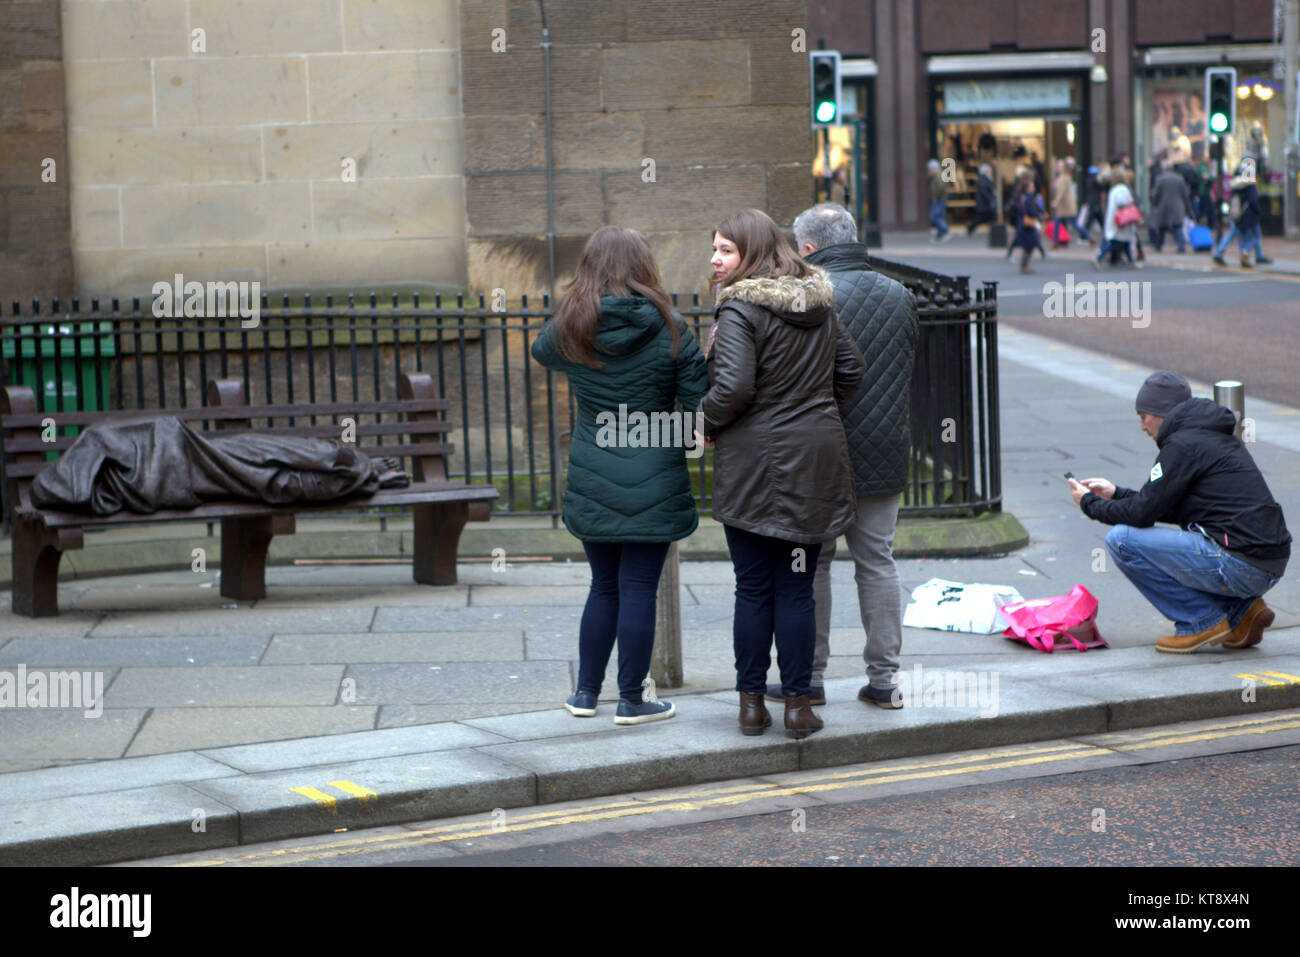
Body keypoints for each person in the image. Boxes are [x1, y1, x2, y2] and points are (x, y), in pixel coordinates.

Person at [531, 226, 708, 725]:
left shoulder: (573, 325)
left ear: (587, 267)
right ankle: (632, 699)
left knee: (602, 585)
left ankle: (585, 694)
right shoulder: (673, 326)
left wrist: (573, 309)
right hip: (654, 468)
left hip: (593, 467)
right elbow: (700, 407)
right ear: (645, 266)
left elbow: (540, 352)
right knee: (637, 588)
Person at [699, 208, 865, 739]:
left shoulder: (740, 310)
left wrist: (702, 425)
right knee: (796, 587)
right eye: (715, 249)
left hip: (752, 462)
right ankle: (797, 706)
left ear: (751, 252)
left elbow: (733, 390)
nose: (715, 258)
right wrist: (813, 410)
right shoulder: (818, 304)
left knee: (752, 588)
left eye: (725, 249)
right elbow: (852, 371)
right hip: (814, 460)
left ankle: (751, 705)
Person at [786, 203, 919, 709]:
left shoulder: (807, 297)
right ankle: (884, 681)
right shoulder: (900, 294)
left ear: (810, 248)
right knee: (877, 562)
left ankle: (810, 678)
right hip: (883, 449)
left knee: (813, 565)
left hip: (819, 452)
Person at [1069, 371, 1290, 653]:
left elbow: (1142, 514)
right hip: (1269, 563)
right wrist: (1116, 493)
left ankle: (1200, 621)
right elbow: (1166, 507)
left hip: (1240, 564)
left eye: (1144, 416)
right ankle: (1243, 611)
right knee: (1179, 540)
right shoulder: (1208, 435)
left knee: (1121, 540)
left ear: (1161, 413)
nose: (1142, 427)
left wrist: (1089, 503)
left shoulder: (1181, 445)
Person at [1213, 160, 1271, 267]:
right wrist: (1258, 211)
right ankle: (1244, 253)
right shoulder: (1250, 184)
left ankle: (1250, 256)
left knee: (1241, 235)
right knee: (1255, 235)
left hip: (1237, 214)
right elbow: (1253, 201)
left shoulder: (1236, 184)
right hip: (1250, 215)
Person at [1094, 166, 1137, 268]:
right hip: (1121, 220)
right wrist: (1130, 201)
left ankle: (1130, 261)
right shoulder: (1122, 189)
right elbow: (1121, 202)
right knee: (1119, 242)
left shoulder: (1114, 189)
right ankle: (1099, 257)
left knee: (1122, 242)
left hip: (1115, 219)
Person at [1151, 160, 1193, 253]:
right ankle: (1181, 246)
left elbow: (1155, 194)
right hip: (1177, 206)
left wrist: (1155, 204)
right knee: (1177, 228)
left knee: (1162, 228)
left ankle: (1158, 246)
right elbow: (1185, 195)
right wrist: (1188, 208)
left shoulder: (1160, 179)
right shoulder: (1179, 178)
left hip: (1163, 206)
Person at [1010, 173, 1046, 273]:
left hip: (1022, 223)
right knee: (1030, 244)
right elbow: (1030, 210)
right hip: (1027, 223)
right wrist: (1039, 215)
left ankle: (1024, 265)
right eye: (1032, 186)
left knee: (1028, 244)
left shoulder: (1022, 197)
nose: (1033, 188)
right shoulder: (1028, 198)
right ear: (1027, 188)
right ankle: (1024, 266)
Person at [1049, 158, 1078, 248]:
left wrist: (1055, 202)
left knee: (1073, 224)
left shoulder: (1064, 178)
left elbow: (1061, 192)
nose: (1059, 168)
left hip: (1065, 206)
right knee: (1058, 223)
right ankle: (1056, 242)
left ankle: (1056, 242)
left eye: (1061, 166)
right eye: (1058, 166)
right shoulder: (1061, 177)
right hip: (1064, 206)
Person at [967, 164, 997, 235]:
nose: (990, 172)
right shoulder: (984, 180)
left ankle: (993, 231)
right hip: (984, 203)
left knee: (987, 218)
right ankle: (971, 228)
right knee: (983, 218)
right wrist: (990, 200)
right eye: (989, 171)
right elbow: (985, 192)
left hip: (985, 203)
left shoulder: (985, 179)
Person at [926, 159, 951, 242]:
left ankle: (945, 230)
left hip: (938, 199)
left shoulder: (937, 175)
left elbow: (940, 187)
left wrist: (936, 196)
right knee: (938, 216)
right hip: (940, 198)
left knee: (934, 216)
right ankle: (940, 234)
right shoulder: (937, 175)